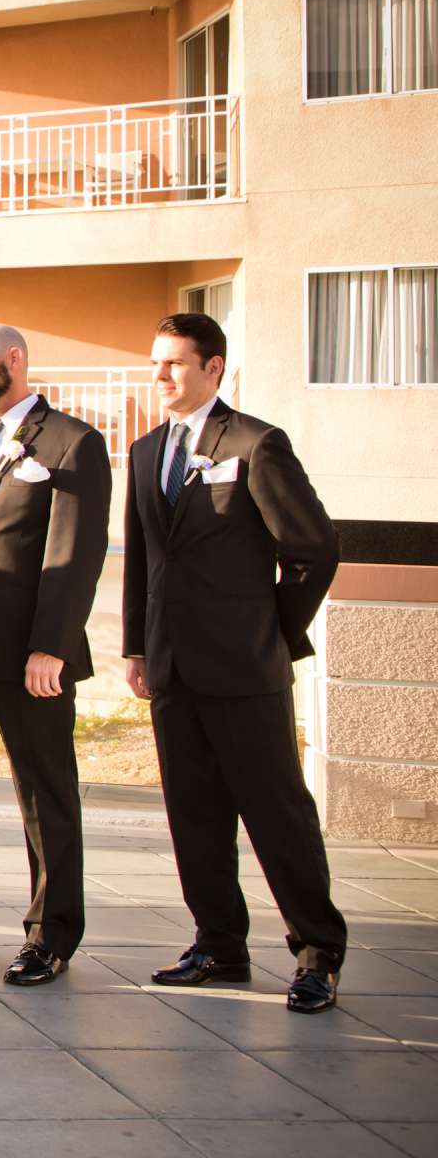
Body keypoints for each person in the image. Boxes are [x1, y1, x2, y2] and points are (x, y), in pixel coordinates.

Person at [124, 312, 345, 1014]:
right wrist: (137, 645)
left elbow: (314, 551)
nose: (159, 376)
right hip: (171, 669)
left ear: (213, 369)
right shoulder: (145, 449)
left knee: (277, 815)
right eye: (155, 363)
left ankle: (317, 953)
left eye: (173, 364)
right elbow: (144, 560)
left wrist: (271, 633)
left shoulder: (256, 444)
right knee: (194, 817)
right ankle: (219, 945)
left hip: (246, 670)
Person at [0, 324, 110, 986]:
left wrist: (50, 647)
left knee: (45, 793)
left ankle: (50, 932)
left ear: (14, 360)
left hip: (30, 656)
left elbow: (75, 552)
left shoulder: (71, 442)